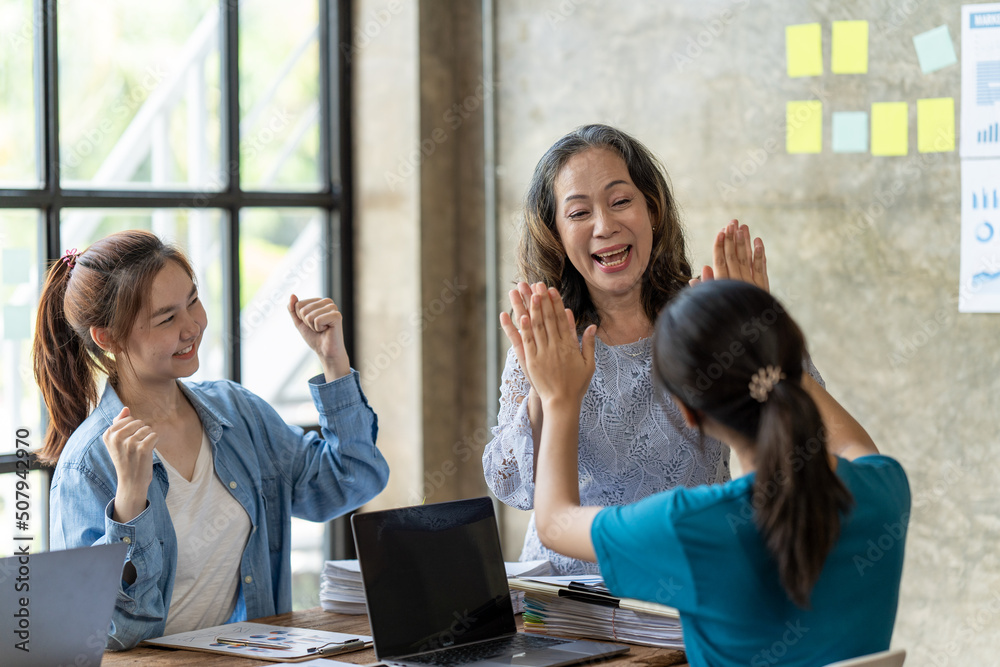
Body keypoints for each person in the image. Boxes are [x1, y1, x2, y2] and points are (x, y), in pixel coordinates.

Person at [482, 123, 822, 574]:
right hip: (566, 600)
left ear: (654, 210)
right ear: (556, 235)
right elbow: (513, 487)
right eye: (579, 213)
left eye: (621, 201)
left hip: (688, 583)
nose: (605, 226)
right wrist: (546, 394)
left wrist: (758, 333)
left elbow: (807, 431)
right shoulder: (547, 335)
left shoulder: (707, 320)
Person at [517, 279, 910, 666]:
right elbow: (854, 447)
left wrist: (559, 400)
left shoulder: (691, 525)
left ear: (688, 413)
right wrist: (767, 339)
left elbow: (554, 523)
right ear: (792, 364)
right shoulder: (887, 488)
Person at [33, 230, 389, 650]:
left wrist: (334, 363)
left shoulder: (237, 412)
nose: (192, 327)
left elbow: (352, 480)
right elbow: (106, 635)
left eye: (193, 301)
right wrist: (130, 504)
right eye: (167, 318)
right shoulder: (87, 465)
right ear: (106, 337)